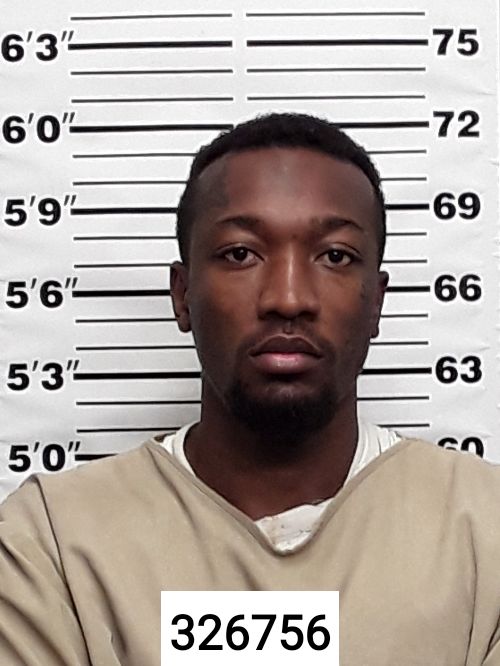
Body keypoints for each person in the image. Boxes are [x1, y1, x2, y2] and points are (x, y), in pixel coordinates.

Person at [1, 112, 500, 665]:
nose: (288, 298)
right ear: (182, 295)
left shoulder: (486, 530)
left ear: (377, 301)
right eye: (240, 253)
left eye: (335, 256)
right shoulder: (50, 543)